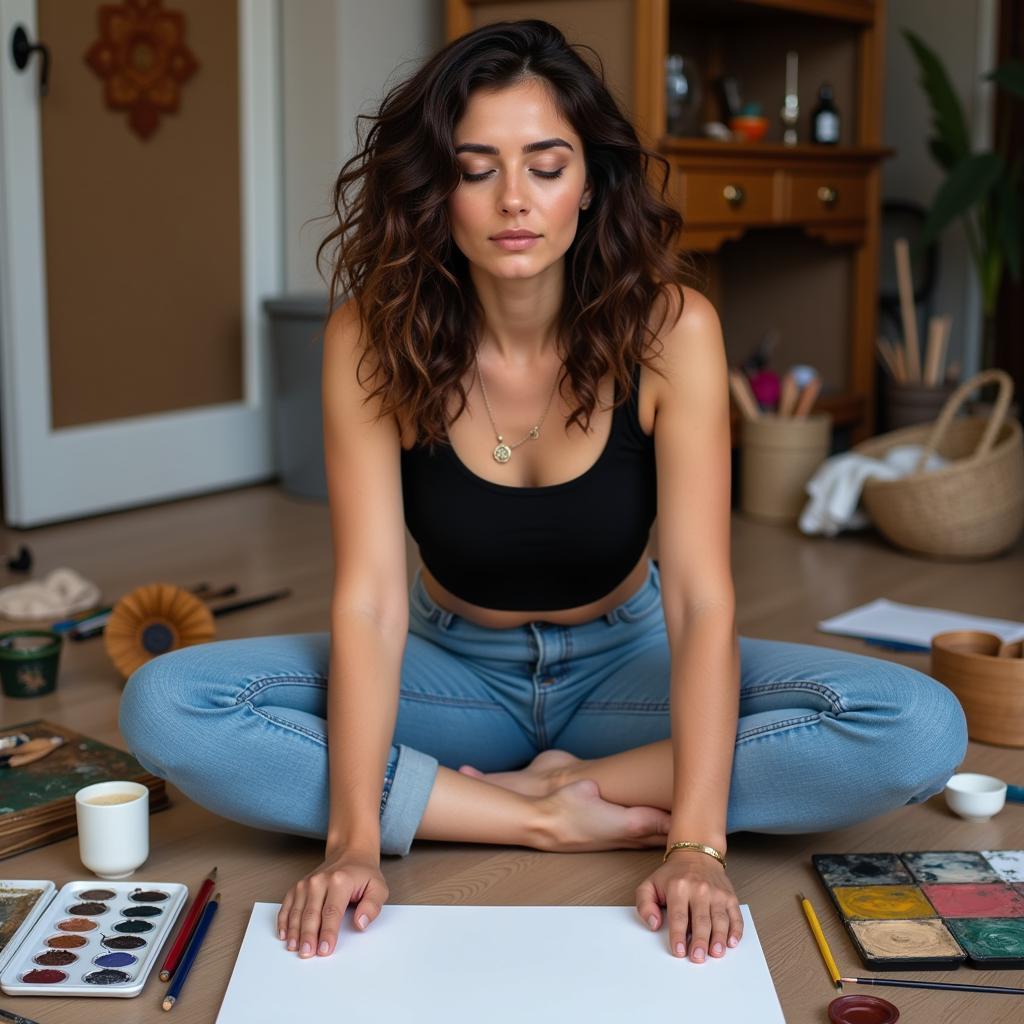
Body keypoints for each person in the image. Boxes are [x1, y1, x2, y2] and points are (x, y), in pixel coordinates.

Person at [119, 18, 967, 970]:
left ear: (590, 181)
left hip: (627, 676)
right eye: (476, 167)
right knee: (166, 705)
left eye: (546, 164)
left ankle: (533, 790)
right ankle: (542, 818)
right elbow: (367, 600)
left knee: (919, 726)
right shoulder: (370, 334)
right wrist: (354, 844)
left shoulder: (672, 329)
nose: (513, 200)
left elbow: (698, 601)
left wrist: (695, 844)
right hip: (450, 679)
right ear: (435, 188)